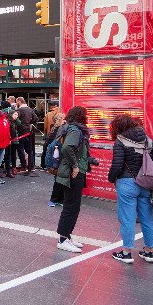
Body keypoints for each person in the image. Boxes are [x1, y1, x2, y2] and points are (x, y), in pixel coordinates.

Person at [108, 114, 153, 264]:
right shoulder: (145, 139)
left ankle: (127, 252)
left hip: (126, 183)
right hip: (145, 184)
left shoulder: (120, 140)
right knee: (146, 218)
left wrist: (111, 178)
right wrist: (148, 160)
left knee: (127, 218)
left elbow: (117, 164)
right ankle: (148, 251)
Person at [55, 106, 91, 253]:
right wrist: (76, 166)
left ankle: (66, 236)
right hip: (73, 173)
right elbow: (67, 148)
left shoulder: (70, 128)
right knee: (71, 206)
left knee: (72, 205)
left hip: (71, 171)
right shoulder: (75, 130)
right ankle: (63, 239)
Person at [46, 113, 67, 207]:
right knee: (59, 179)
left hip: (58, 156)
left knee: (60, 179)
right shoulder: (60, 129)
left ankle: (58, 199)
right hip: (58, 157)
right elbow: (52, 145)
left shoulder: (55, 128)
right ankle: (55, 199)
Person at [16, 97, 38, 174]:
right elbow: (36, 118)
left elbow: (15, 119)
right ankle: (31, 165)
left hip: (20, 131)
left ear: (19, 101)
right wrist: (30, 123)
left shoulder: (19, 110)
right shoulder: (30, 109)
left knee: (20, 148)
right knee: (29, 149)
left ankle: (23, 165)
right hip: (28, 131)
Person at [42, 101, 60, 169]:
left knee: (47, 149)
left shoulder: (48, 114)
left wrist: (45, 133)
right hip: (59, 134)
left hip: (51, 134)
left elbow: (45, 126)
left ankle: (45, 164)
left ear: (53, 106)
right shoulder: (62, 112)